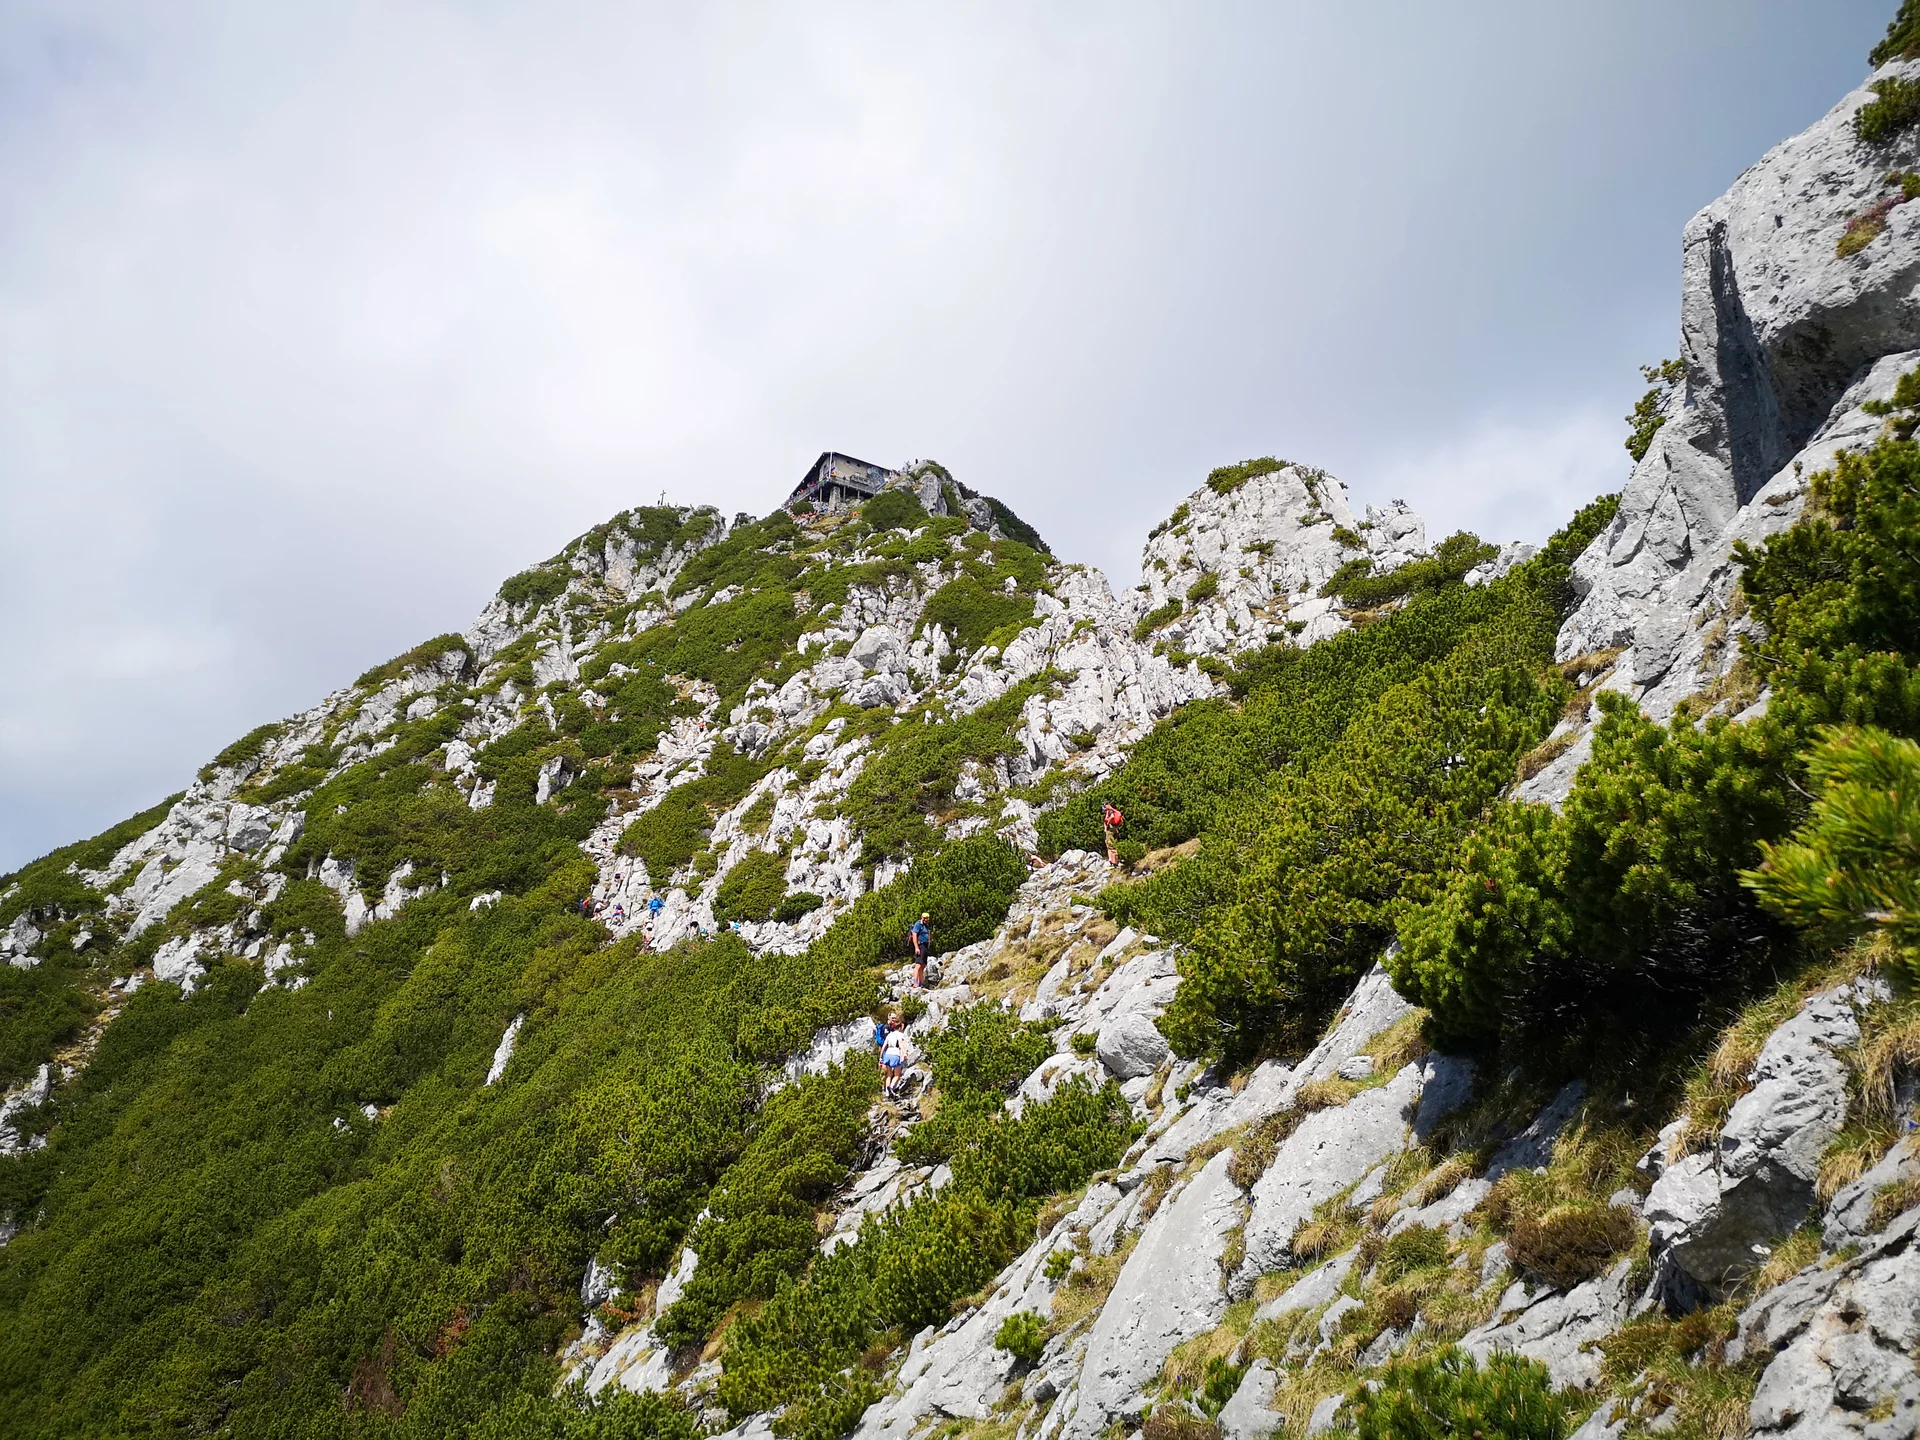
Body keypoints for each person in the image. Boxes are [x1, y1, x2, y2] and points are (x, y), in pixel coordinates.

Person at [881, 1020, 909, 1098]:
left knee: (889, 1075)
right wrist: (904, 1053)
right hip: (895, 1054)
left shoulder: (889, 1035)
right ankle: (891, 1087)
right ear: (900, 1027)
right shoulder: (899, 1034)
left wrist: (881, 1058)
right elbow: (900, 1044)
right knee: (897, 1075)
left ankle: (887, 1092)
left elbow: (883, 1047)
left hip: (887, 1054)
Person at [909, 913, 932, 989]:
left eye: (927, 918)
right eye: (925, 918)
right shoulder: (918, 924)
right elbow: (914, 935)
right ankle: (915, 983)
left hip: (925, 946)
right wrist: (916, 947)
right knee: (918, 965)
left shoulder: (926, 925)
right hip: (920, 945)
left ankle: (921, 983)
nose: (926, 919)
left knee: (922, 965)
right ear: (922, 917)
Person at [1101, 800, 1125, 867]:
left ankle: (1114, 863)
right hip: (1115, 828)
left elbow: (1112, 817)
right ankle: (1112, 861)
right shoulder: (1114, 811)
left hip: (1110, 829)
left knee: (1110, 845)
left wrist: (1108, 824)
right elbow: (1121, 821)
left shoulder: (1110, 811)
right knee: (1111, 844)